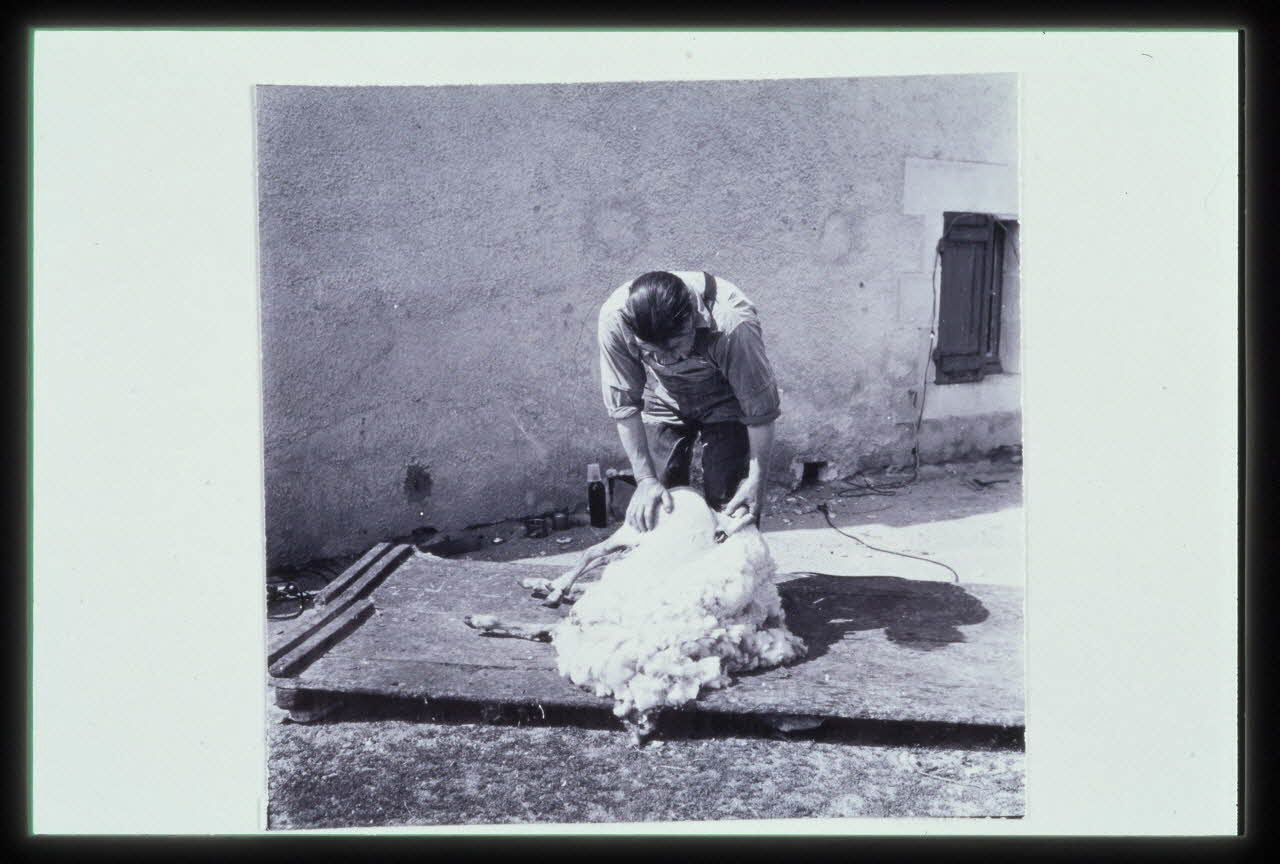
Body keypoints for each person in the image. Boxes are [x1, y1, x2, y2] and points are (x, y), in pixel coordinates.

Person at [598, 270, 781, 532]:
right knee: (658, 499)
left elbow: (761, 413)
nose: (670, 360)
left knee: (730, 503)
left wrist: (756, 482)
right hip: (665, 396)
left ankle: (730, 568)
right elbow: (623, 406)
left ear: (691, 320)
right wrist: (646, 479)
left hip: (726, 399)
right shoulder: (615, 320)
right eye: (654, 352)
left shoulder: (733, 324)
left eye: (675, 347)